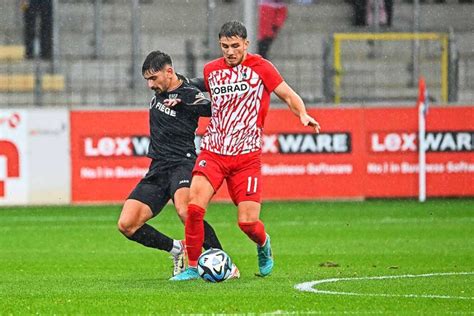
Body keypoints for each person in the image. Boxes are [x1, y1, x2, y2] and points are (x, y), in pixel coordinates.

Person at [171, 21, 320, 281]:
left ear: (246, 44)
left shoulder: (261, 68)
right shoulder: (211, 70)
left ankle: (263, 245)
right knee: (194, 207)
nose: (230, 51)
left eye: (235, 46)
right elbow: (195, 86)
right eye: (225, 46)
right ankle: (193, 267)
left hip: (246, 158)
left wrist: (303, 114)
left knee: (248, 223)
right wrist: (179, 96)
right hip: (214, 152)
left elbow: (287, 95)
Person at [117, 50, 238, 278]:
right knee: (127, 224)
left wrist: (183, 102)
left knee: (186, 212)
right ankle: (177, 249)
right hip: (158, 167)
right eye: (147, 80)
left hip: (182, 162)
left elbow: (211, 108)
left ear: (169, 71)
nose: (150, 85)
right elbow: (206, 81)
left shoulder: (188, 94)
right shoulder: (180, 83)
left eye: (153, 78)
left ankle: (225, 263)